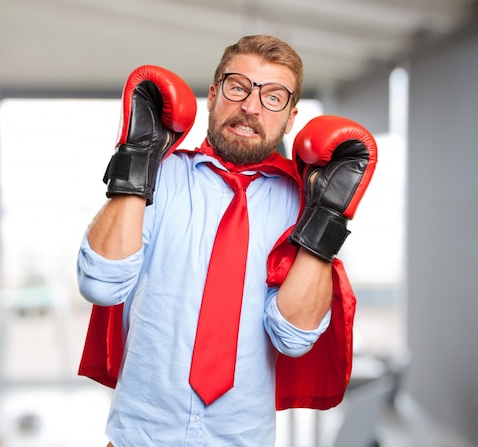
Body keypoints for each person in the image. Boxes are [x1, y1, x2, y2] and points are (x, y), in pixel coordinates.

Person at [76, 35, 377, 447]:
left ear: (290, 118)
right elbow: (100, 284)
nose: (250, 106)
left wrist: (325, 217)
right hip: (138, 437)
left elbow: (293, 338)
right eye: (238, 87)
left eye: (273, 96)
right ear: (214, 94)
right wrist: (136, 158)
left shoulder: (302, 206)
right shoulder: (160, 176)